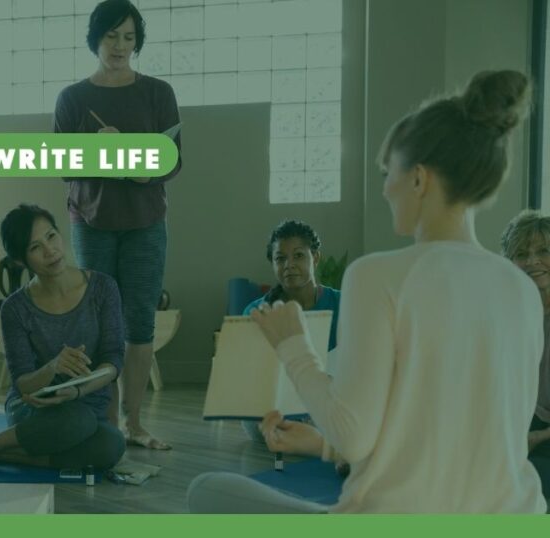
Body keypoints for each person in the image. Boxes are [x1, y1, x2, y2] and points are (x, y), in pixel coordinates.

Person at [188, 70, 545, 513]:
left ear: (418, 179)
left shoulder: (377, 275)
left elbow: (352, 434)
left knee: (206, 489)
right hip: (519, 514)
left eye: (386, 172)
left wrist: (292, 344)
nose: (384, 189)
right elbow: (447, 437)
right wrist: (323, 447)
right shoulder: (520, 288)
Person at [54, 0, 182, 451]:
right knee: (97, 325)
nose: (120, 46)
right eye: (111, 36)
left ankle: (134, 422)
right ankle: (103, 418)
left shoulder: (158, 93)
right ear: (96, 39)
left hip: (146, 224)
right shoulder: (72, 98)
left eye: (128, 37)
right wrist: (94, 145)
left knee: (139, 323)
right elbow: (63, 167)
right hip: (92, 222)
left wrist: (146, 164)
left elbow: (174, 160)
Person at [0, 205, 125, 472]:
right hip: (35, 410)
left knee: (111, 445)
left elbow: (113, 360)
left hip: (86, 403)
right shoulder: (15, 308)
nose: (50, 251)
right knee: (78, 422)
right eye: (35, 247)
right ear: (20, 261)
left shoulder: (104, 288)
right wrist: (52, 367)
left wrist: (76, 390)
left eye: (51, 236)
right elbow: (24, 384)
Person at [241, 220, 341, 442]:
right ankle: (313, 436)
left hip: (325, 397)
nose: (289, 264)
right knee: (255, 422)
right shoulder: (256, 311)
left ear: (315, 257)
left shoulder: (342, 303)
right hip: (275, 404)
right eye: (280, 258)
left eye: (298, 255)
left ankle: (311, 437)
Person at [500, 210, 550, 500]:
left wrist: (536, 438)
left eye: (544, 251)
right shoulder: (507, 314)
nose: (532, 261)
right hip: (518, 426)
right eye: (521, 253)